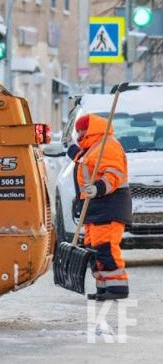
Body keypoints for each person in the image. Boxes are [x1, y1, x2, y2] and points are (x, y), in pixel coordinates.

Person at [70, 113, 132, 301]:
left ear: (91, 130)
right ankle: (104, 287)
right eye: (78, 131)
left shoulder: (108, 145)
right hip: (95, 207)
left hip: (109, 205)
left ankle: (118, 287)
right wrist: (74, 153)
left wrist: (98, 188)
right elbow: (88, 164)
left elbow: (114, 173)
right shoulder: (93, 148)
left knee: (105, 246)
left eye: (82, 130)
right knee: (93, 247)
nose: (79, 134)